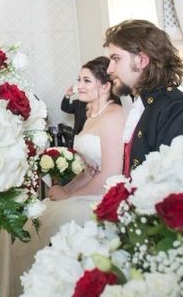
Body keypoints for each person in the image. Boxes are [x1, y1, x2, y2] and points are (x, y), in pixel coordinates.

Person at [9, 56, 125, 295]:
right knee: (39, 215)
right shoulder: (92, 116)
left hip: (104, 197)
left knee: (44, 224)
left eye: (87, 81)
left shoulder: (113, 116)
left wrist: (70, 195)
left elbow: (110, 171)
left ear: (105, 86)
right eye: (79, 79)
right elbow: (88, 169)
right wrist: (66, 190)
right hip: (90, 189)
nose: (79, 86)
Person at [104, 19, 183, 176]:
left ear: (142, 60)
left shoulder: (178, 110)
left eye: (116, 58)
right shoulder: (145, 105)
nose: (109, 69)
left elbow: (175, 186)